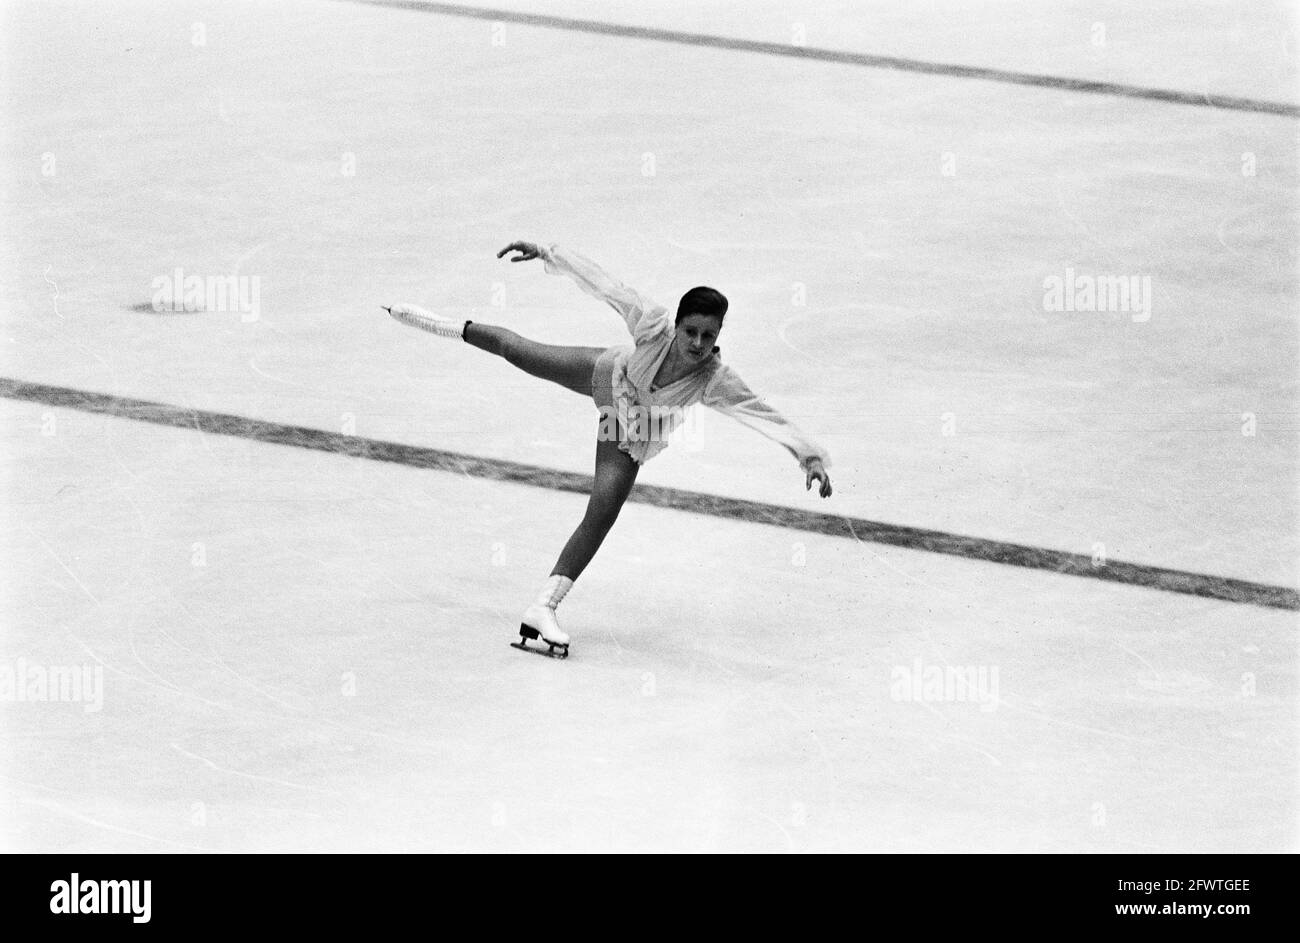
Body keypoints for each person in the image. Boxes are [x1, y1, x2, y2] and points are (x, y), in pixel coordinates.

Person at [386, 240, 832, 657]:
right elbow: (607, 286)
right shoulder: (653, 324)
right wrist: (548, 252)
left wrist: (809, 457)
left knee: (601, 512)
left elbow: (760, 412)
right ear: (677, 325)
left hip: (627, 428)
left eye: (708, 336)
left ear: (718, 336)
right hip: (607, 376)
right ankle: (430, 321)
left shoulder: (713, 377)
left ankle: (543, 608)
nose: (698, 344)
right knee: (517, 350)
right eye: (691, 331)